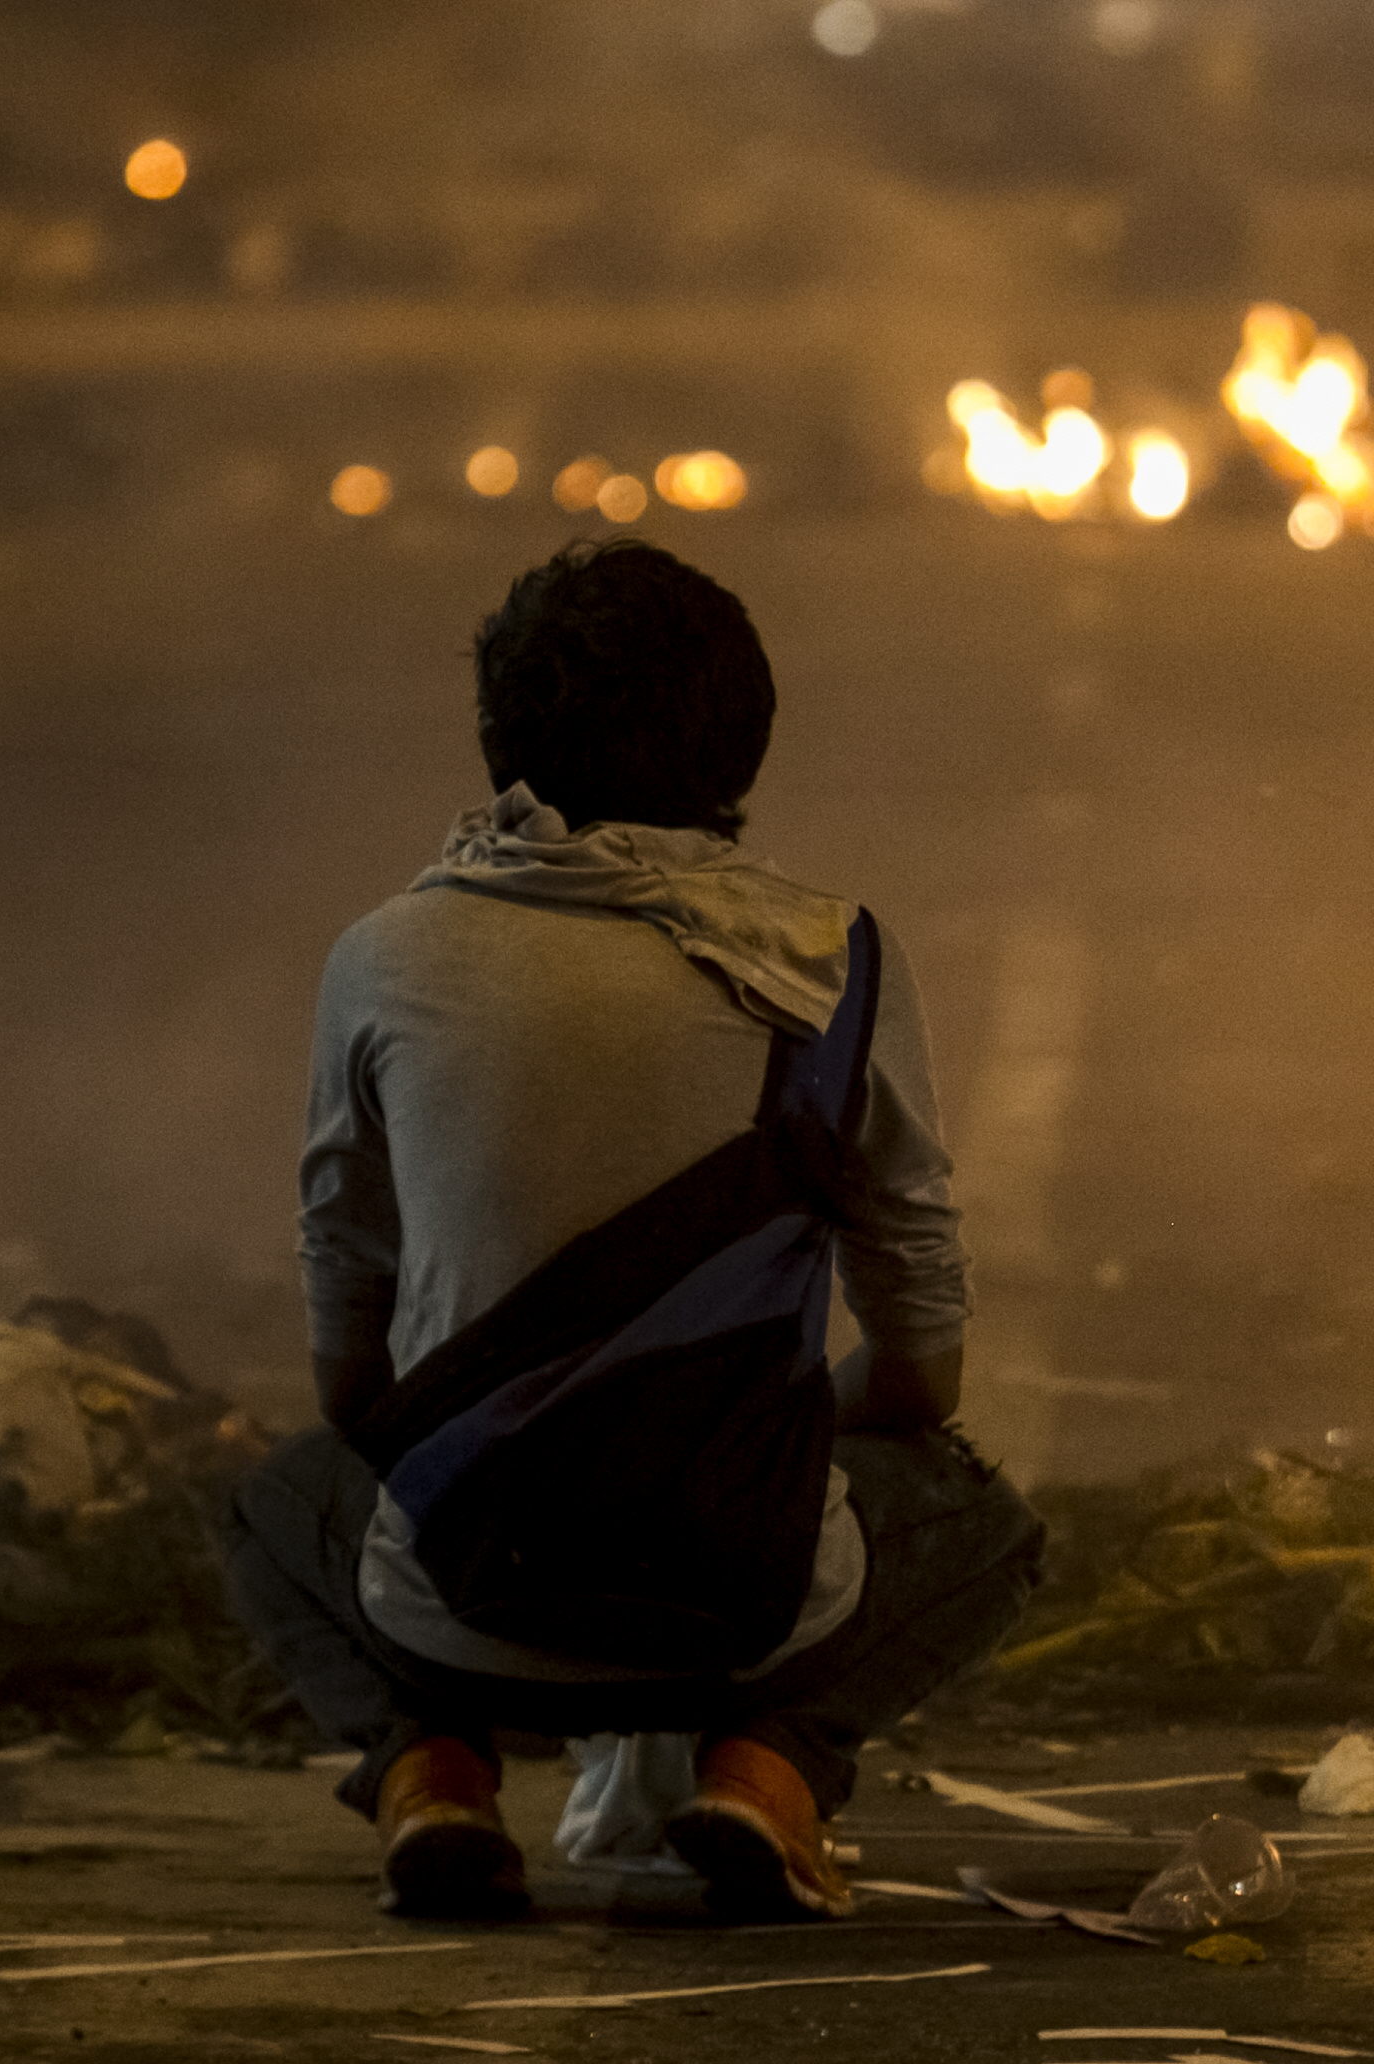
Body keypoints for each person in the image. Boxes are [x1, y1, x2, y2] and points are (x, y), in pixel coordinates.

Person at [223, 538, 1042, 1923]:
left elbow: (349, 1378)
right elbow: (922, 1371)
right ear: (743, 742)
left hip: (467, 1604)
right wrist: (774, 1435)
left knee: (269, 1503)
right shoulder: (834, 961)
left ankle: (433, 1777)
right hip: (753, 1601)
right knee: (986, 1528)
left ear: (501, 744)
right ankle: (767, 1776)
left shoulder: (381, 958)